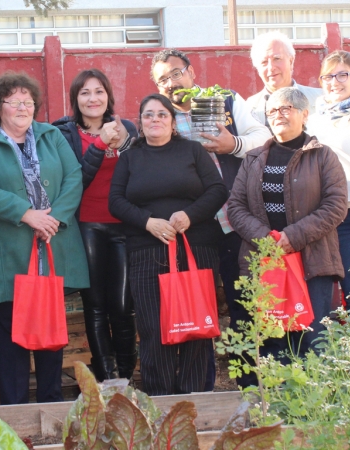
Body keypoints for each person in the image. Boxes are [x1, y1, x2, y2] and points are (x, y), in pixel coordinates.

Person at [0, 72, 89, 405]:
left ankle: (51, 407)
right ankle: (16, 415)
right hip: (7, 257)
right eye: (14, 101)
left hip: (52, 249)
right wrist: (26, 213)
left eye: (28, 101)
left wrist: (53, 218)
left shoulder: (52, 137)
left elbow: (73, 178)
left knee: (50, 336)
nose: (23, 107)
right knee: (10, 341)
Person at [150, 48, 270, 389]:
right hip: (195, 227)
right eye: (163, 80)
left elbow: (263, 138)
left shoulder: (222, 100)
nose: (172, 83)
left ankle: (250, 388)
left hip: (235, 221)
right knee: (198, 303)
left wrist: (233, 144)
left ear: (190, 72)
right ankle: (200, 389)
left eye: (176, 73)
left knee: (242, 304)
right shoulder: (163, 118)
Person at [109, 93, 228, 395]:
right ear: (140, 123)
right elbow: (116, 202)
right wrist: (147, 221)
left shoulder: (192, 151)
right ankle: (160, 402)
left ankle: (194, 401)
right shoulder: (130, 157)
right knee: (152, 328)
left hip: (195, 248)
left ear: (173, 123)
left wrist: (189, 215)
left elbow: (217, 190)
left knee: (196, 327)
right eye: (148, 115)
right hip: (147, 251)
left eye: (162, 114)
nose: (155, 120)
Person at [228, 87, 347, 358]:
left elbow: (335, 206)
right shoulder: (253, 158)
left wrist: (291, 237)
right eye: (272, 111)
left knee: (312, 340)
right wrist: (267, 240)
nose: (278, 115)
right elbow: (236, 206)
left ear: (304, 114)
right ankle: (275, 401)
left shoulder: (322, 156)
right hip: (264, 260)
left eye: (286, 109)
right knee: (273, 343)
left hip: (312, 262)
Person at [52, 69, 138, 382]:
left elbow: (138, 175)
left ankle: (126, 376)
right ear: (76, 99)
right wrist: (100, 144)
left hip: (123, 225)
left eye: (99, 91)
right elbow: (76, 182)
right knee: (96, 306)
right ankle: (106, 377)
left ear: (108, 96)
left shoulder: (126, 128)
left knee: (122, 305)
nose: (93, 98)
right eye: (85, 92)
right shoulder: (64, 134)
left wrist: (124, 143)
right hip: (86, 225)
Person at [308, 50, 350, 305]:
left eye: (342, 74)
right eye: (328, 76)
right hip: (340, 218)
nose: (335, 81)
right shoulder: (313, 122)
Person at [247, 31, 322, 125]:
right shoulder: (248, 108)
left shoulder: (320, 99)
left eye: (277, 59)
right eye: (264, 62)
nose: (271, 68)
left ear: (291, 61)